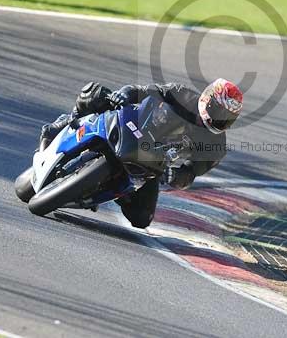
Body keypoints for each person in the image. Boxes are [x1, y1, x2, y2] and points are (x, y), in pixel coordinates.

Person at [38, 78, 243, 228]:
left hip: (153, 163)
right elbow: (145, 91)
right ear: (207, 100)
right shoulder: (182, 94)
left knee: (141, 219)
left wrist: (175, 176)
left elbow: (191, 173)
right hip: (134, 126)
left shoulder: (216, 145)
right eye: (219, 111)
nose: (220, 119)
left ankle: (110, 192)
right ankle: (66, 122)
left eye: (227, 117)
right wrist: (126, 94)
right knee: (96, 93)